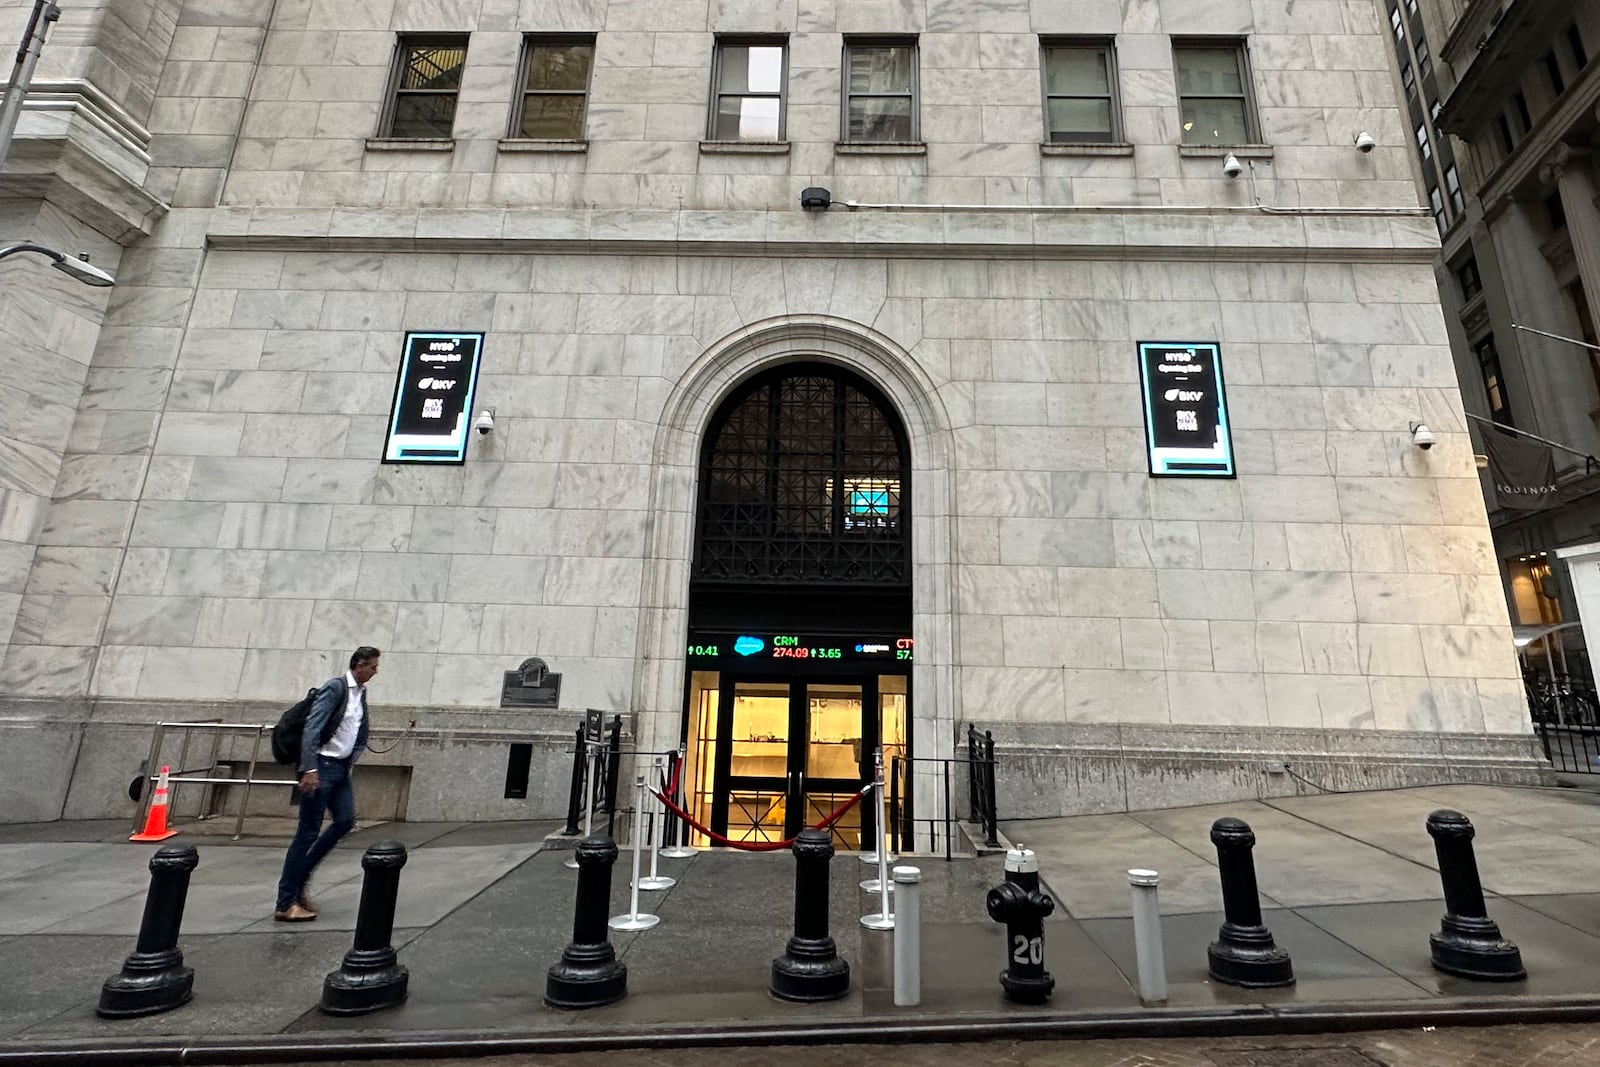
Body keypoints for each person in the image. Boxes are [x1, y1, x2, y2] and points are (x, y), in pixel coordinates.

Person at [274, 646, 379, 922]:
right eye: (372, 667)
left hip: (341, 769)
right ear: (358, 665)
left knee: (345, 820)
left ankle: (300, 878)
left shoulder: (360, 693)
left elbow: (355, 728)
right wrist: (308, 768)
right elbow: (312, 727)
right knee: (307, 832)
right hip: (320, 767)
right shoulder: (335, 688)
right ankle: (286, 901)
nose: (375, 672)